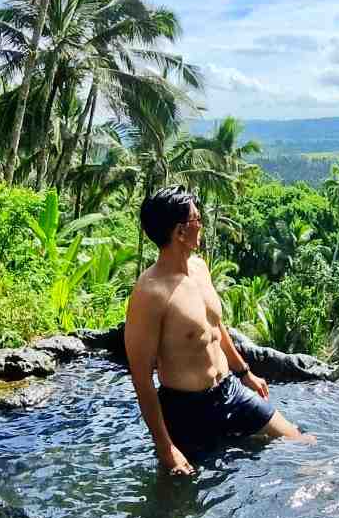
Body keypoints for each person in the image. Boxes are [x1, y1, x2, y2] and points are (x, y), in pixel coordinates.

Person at [125, 186, 313, 476]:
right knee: (184, 498)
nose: (202, 225)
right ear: (179, 232)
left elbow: (214, 327)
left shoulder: (200, 268)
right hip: (186, 409)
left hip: (230, 390)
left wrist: (244, 372)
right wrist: (166, 449)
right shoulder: (150, 293)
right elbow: (141, 377)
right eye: (197, 219)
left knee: (300, 443)